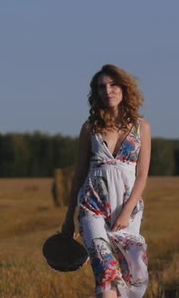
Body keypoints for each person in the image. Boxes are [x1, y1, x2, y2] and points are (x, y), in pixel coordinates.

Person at [62, 64, 151, 298]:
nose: (108, 91)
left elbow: (142, 176)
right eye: (102, 87)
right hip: (92, 205)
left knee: (132, 271)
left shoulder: (142, 127)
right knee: (105, 270)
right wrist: (69, 217)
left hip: (127, 207)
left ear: (124, 89)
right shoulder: (90, 127)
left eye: (113, 85)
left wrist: (126, 211)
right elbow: (79, 174)